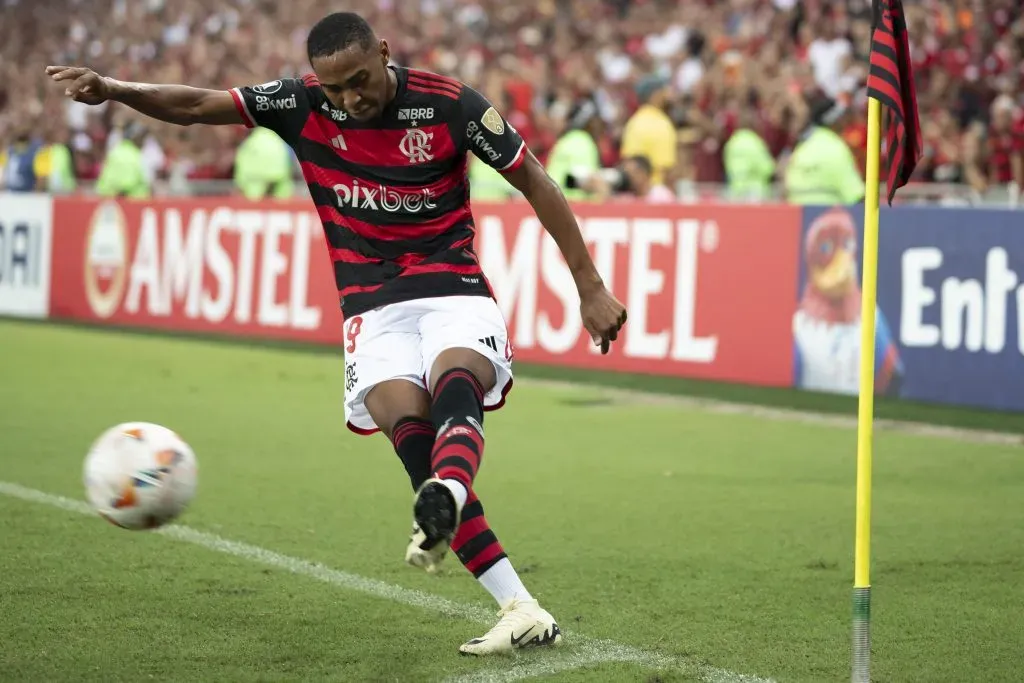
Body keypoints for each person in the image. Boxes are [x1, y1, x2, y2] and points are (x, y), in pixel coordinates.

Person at [46, 11, 626, 656]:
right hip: (371, 309)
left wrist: (589, 285)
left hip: (451, 288)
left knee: (454, 382)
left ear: (383, 53)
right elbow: (196, 105)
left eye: (360, 80)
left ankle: (452, 491)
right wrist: (117, 89)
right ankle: (519, 606)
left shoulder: (451, 105)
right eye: (336, 89)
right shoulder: (297, 104)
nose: (351, 98)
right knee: (413, 442)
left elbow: (535, 182)